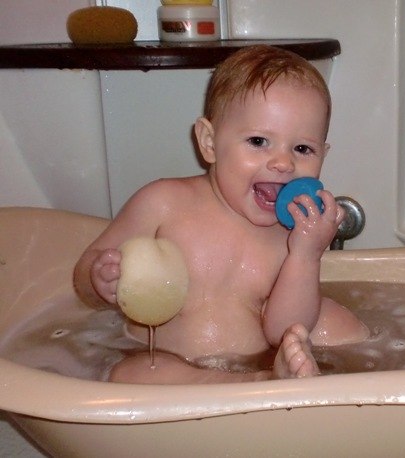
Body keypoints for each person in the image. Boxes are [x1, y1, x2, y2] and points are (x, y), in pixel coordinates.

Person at [73, 45, 368, 384]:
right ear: (210, 142)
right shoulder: (164, 203)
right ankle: (260, 384)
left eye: (302, 148)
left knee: (338, 323)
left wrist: (306, 255)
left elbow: (283, 330)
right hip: (160, 359)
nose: (283, 163)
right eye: (258, 141)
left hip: (254, 359)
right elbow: (84, 276)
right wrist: (99, 279)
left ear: (322, 156)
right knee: (132, 373)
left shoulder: (292, 236)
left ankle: (354, 377)